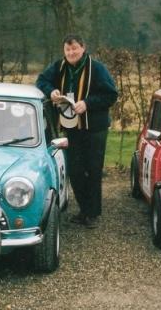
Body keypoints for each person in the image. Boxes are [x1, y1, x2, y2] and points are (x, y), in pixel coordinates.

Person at [36, 34, 118, 229]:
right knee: (75, 170)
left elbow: (111, 94)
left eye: (74, 49)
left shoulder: (97, 68)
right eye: (68, 49)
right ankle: (83, 209)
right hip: (72, 127)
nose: (71, 53)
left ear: (83, 48)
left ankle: (92, 213)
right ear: (64, 51)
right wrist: (51, 91)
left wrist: (87, 103)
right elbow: (41, 80)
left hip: (94, 128)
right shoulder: (59, 67)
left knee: (93, 170)